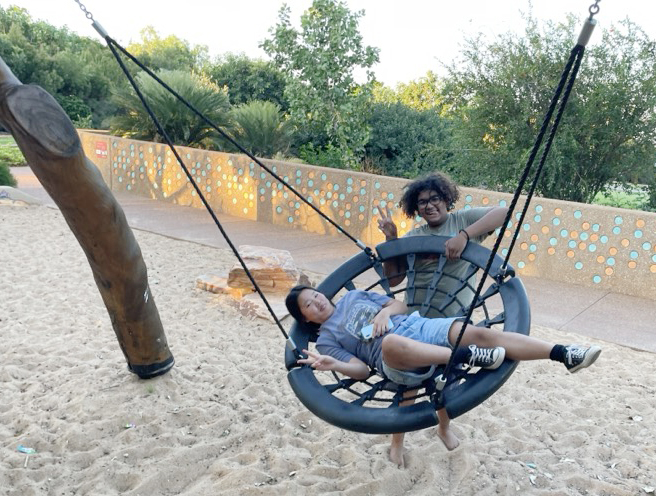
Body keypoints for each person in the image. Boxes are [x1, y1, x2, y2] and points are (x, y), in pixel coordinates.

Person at [285, 285, 601, 467]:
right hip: (396, 359)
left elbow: (400, 303)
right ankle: (462, 358)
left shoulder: (354, 297)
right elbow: (362, 370)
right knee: (396, 350)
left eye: (314, 294)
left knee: (476, 333)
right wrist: (334, 365)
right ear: (306, 317)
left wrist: (384, 313)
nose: (316, 302)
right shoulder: (326, 339)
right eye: (308, 305)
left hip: (417, 326)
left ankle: (562, 353)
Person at [378, 172, 509, 317]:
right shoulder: (412, 237)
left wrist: (464, 235)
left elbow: (504, 214)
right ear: (417, 209)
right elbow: (392, 281)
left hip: (454, 322)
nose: (429, 206)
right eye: (422, 202)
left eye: (435, 199)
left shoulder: (463, 221)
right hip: (414, 320)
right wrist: (391, 240)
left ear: (446, 200)